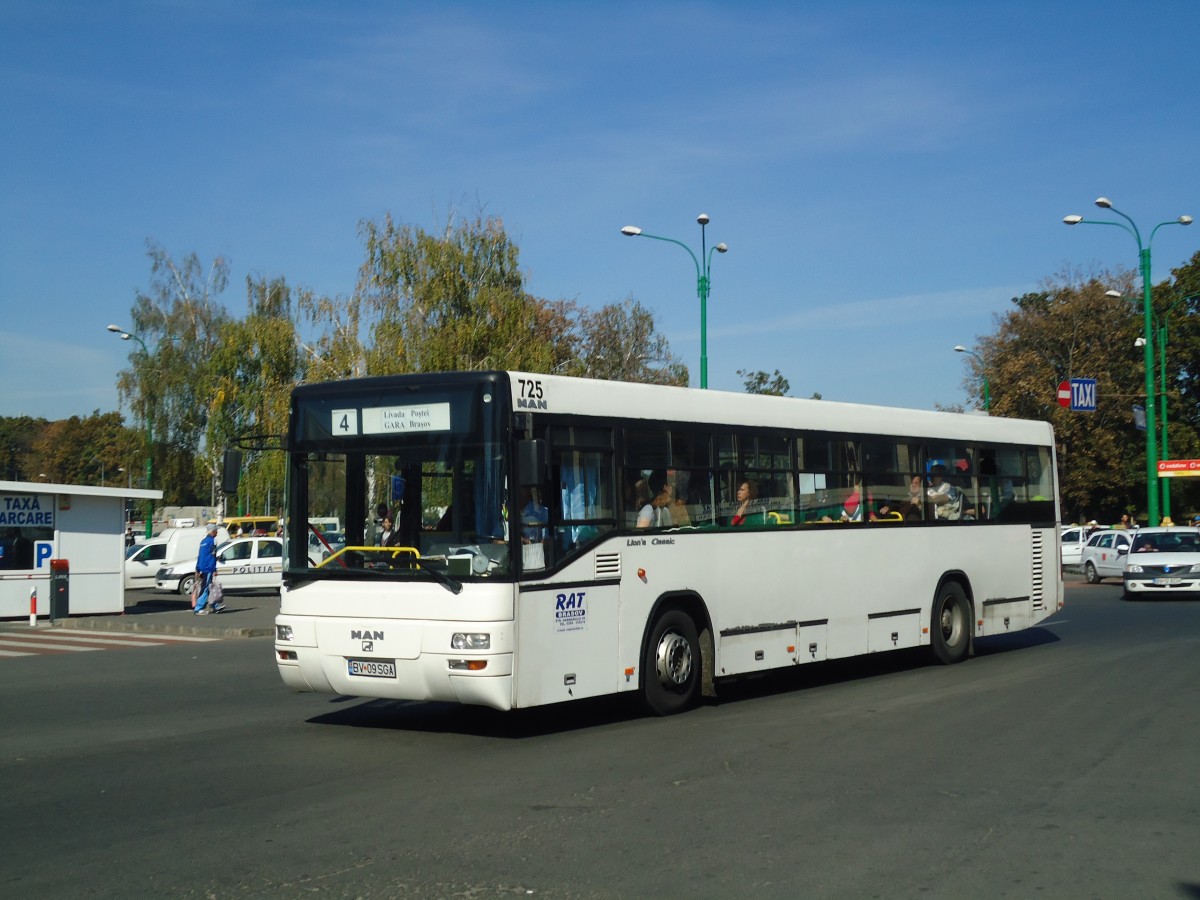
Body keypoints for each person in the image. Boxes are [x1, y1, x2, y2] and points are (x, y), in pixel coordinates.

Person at [193, 522, 224, 614]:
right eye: (216, 531)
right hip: (208, 568)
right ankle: (198, 608)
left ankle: (215, 606)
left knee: (210, 587)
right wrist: (214, 569)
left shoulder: (203, 541)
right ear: (212, 532)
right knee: (206, 588)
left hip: (202, 566)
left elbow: (200, 556)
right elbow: (213, 556)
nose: (217, 533)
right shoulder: (212, 541)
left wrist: (198, 568)